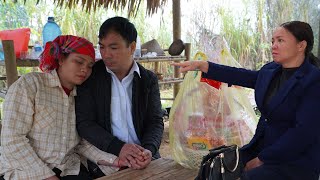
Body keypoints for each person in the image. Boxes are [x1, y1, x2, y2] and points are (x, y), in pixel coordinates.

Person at [172, 21, 320, 180]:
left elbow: (301, 134)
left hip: (295, 160)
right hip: (262, 147)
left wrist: (263, 159)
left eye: (280, 40)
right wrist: (204, 66)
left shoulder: (313, 80)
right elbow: (242, 76)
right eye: (272, 41)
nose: (273, 46)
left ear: (301, 45)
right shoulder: (271, 70)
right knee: (212, 167)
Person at [0, 35, 121, 180]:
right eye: (79, 62)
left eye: (89, 66)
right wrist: (47, 176)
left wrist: (115, 161)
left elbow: (79, 143)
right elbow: (12, 139)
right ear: (61, 59)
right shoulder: (31, 85)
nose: (85, 70)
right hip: (25, 171)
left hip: (67, 170)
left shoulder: (80, 96)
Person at [75, 16, 164, 178]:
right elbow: (84, 123)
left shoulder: (148, 80)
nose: (106, 54)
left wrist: (149, 149)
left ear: (132, 47)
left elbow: (155, 121)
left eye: (113, 48)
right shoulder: (91, 77)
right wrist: (119, 148)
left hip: (143, 156)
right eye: (102, 47)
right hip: (107, 157)